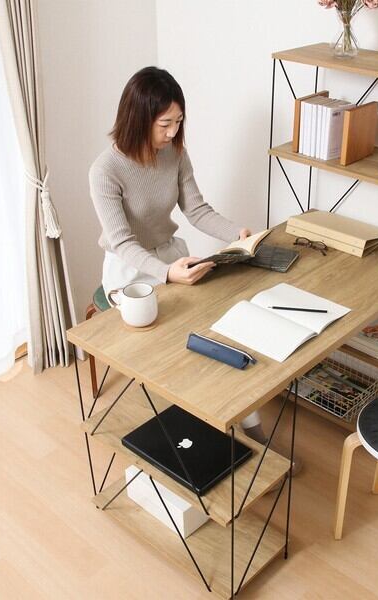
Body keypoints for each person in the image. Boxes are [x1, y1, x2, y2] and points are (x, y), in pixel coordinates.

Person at [88, 66, 269, 445]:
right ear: (137, 118)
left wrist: (237, 234)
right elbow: (122, 242)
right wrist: (167, 273)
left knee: (220, 326)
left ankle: (247, 424)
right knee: (180, 341)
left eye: (179, 121)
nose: (173, 132)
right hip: (129, 272)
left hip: (172, 256)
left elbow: (197, 210)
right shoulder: (105, 170)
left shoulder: (175, 155)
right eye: (165, 123)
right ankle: (200, 431)